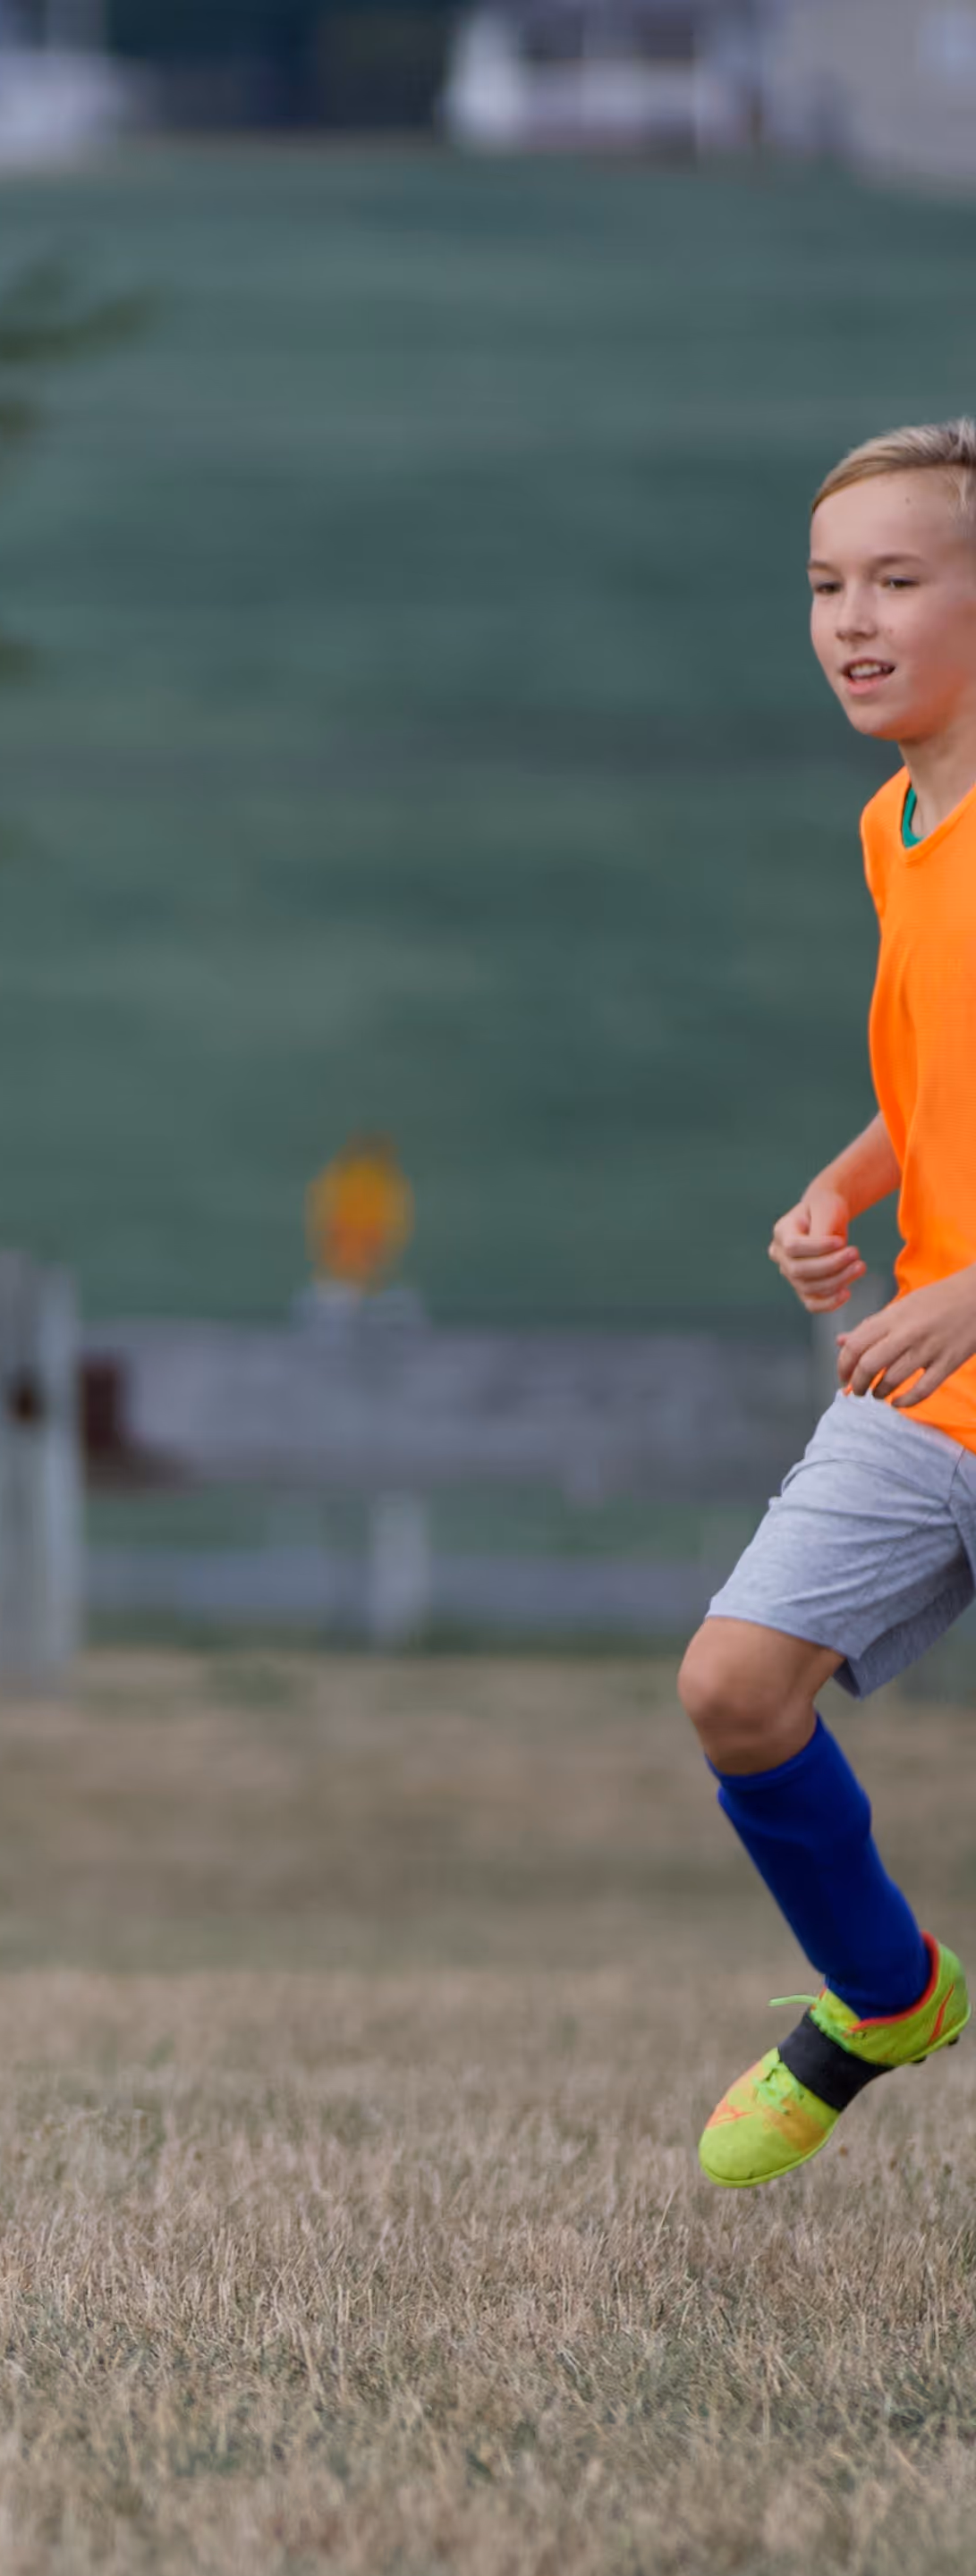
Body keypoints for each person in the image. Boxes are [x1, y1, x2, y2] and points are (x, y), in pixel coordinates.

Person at [683, 418, 976, 2187]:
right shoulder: (896, 825)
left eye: (898, 581)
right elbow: (941, 1071)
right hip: (932, 1387)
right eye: (824, 588)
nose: (851, 621)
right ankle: (888, 1994)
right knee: (734, 1689)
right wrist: (846, 1190)